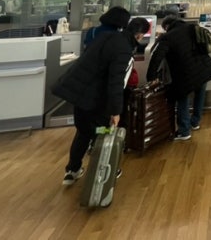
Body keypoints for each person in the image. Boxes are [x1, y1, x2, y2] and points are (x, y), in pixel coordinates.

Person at [53, 17, 151, 186]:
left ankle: (72, 170)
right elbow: (116, 82)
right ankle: (105, 168)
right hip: (97, 99)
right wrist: (116, 111)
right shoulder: (124, 50)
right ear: (140, 35)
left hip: (79, 93)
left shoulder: (106, 37)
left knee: (83, 132)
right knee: (104, 131)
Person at [146, 15, 211, 140]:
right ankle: (195, 122)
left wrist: (151, 77)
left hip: (184, 73)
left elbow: (156, 57)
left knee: (182, 99)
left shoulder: (167, 37)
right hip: (202, 68)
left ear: (167, 26)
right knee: (200, 95)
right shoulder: (192, 27)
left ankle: (184, 131)